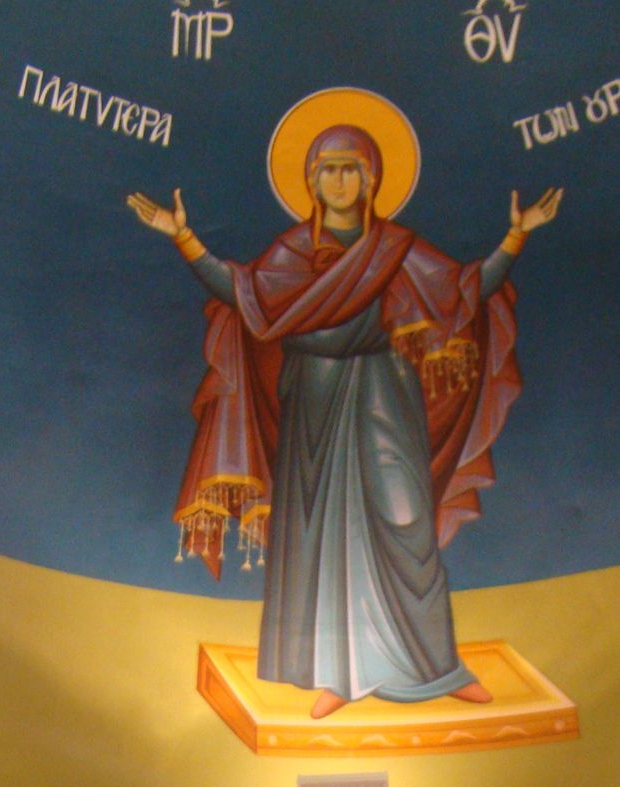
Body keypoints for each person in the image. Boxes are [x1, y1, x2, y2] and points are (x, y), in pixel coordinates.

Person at [129, 125, 559, 718]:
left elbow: (462, 294)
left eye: (350, 169)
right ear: (310, 181)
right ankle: (339, 675)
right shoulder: (292, 254)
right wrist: (183, 237)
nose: (338, 180)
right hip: (314, 397)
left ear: (371, 179)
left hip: (384, 392)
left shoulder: (399, 251)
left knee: (405, 518)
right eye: (327, 169)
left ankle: (437, 665)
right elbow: (242, 292)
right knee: (319, 530)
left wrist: (515, 237)